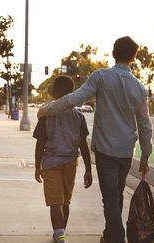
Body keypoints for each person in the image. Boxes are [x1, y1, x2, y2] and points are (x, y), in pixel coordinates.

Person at [38, 36, 152, 243]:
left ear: (113, 53)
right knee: (116, 195)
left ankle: (116, 237)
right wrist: (145, 155)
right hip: (126, 151)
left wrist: (47, 110)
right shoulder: (140, 88)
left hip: (106, 150)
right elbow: (144, 124)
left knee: (110, 197)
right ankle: (110, 235)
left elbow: (75, 98)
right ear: (134, 57)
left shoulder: (101, 77)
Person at [33, 75, 93, 243]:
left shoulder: (46, 114)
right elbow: (83, 145)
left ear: (54, 93)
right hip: (70, 163)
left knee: (55, 203)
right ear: (72, 93)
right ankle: (61, 233)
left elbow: (40, 143)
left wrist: (37, 166)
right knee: (65, 202)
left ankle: (59, 236)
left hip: (51, 162)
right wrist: (88, 169)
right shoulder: (78, 117)